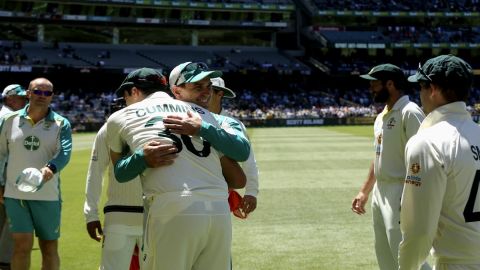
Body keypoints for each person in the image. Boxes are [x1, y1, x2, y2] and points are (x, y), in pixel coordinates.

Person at [106, 66, 249, 270]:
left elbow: (120, 173)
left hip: (172, 206)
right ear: (172, 89)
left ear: (132, 92)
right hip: (218, 209)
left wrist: (141, 158)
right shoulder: (203, 114)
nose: (206, 92)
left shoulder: (120, 117)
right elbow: (239, 175)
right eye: (199, 86)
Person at [399, 55, 480, 269]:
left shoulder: (427, 142)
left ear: (433, 89)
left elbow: (419, 230)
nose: (420, 95)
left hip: (456, 263)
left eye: (421, 87)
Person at [350, 64, 427, 270]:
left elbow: (422, 157)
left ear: (390, 84)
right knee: (384, 254)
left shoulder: (410, 112)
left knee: (406, 256)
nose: (371, 88)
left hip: (401, 190)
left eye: (374, 83)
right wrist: (364, 191)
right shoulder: (382, 115)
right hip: (380, 192)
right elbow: (378, 157)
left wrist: (411, 194)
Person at [84, 98, 166, 270]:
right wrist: (90, 214)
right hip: (153, 216)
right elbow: (95, 173)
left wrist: (91, 215)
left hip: (127, 218)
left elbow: (95, 174)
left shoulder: (107, 128)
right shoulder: (160, 123)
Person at [0, 78, 72, 270]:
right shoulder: (8, 120)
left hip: (47, 195)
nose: (42, 96)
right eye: (37, 92)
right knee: (21, 246)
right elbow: (0, 154)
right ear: (28, 94)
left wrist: (51, 168)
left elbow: (64, 153)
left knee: (49, 246)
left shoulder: (61, 123)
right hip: (15, 195)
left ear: (52, 97)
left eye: (47, 93)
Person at [209, 77, 259, 217]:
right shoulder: (191, 116)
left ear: (220, 94)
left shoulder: (233, 123)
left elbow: (249, 161)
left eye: (208, 90)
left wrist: (251, 192)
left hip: (221, 195)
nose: (203, 93)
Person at [0, 84, 28, 269]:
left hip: (4, 178)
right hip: (6, 180)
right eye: (21, 97)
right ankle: (5, 263)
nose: (25, 100)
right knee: (13, 222)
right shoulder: (9, 118)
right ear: (10, 98)